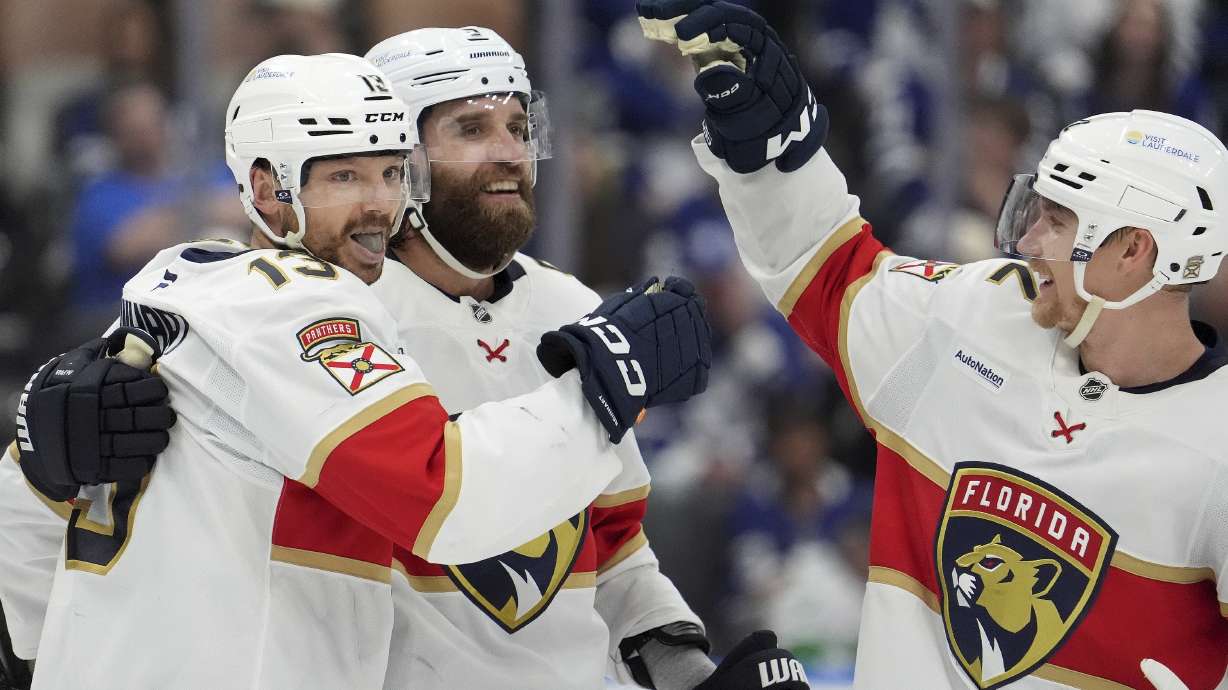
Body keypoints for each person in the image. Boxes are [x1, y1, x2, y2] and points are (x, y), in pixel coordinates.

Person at [0, 52, 712, 689]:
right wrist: (609, 378)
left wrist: (32, 656)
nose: (378, 204)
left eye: (391, 173)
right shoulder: (298, 305)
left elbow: (27, 510)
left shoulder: (181, 287)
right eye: (344, 175)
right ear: (267, 189)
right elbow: (445, 499)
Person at [637, 1, 1228, 688]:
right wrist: (770, 152)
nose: (1028, 241)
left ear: (1134, 252)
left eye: (1059, 222)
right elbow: (823, 267)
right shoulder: (973, 316)